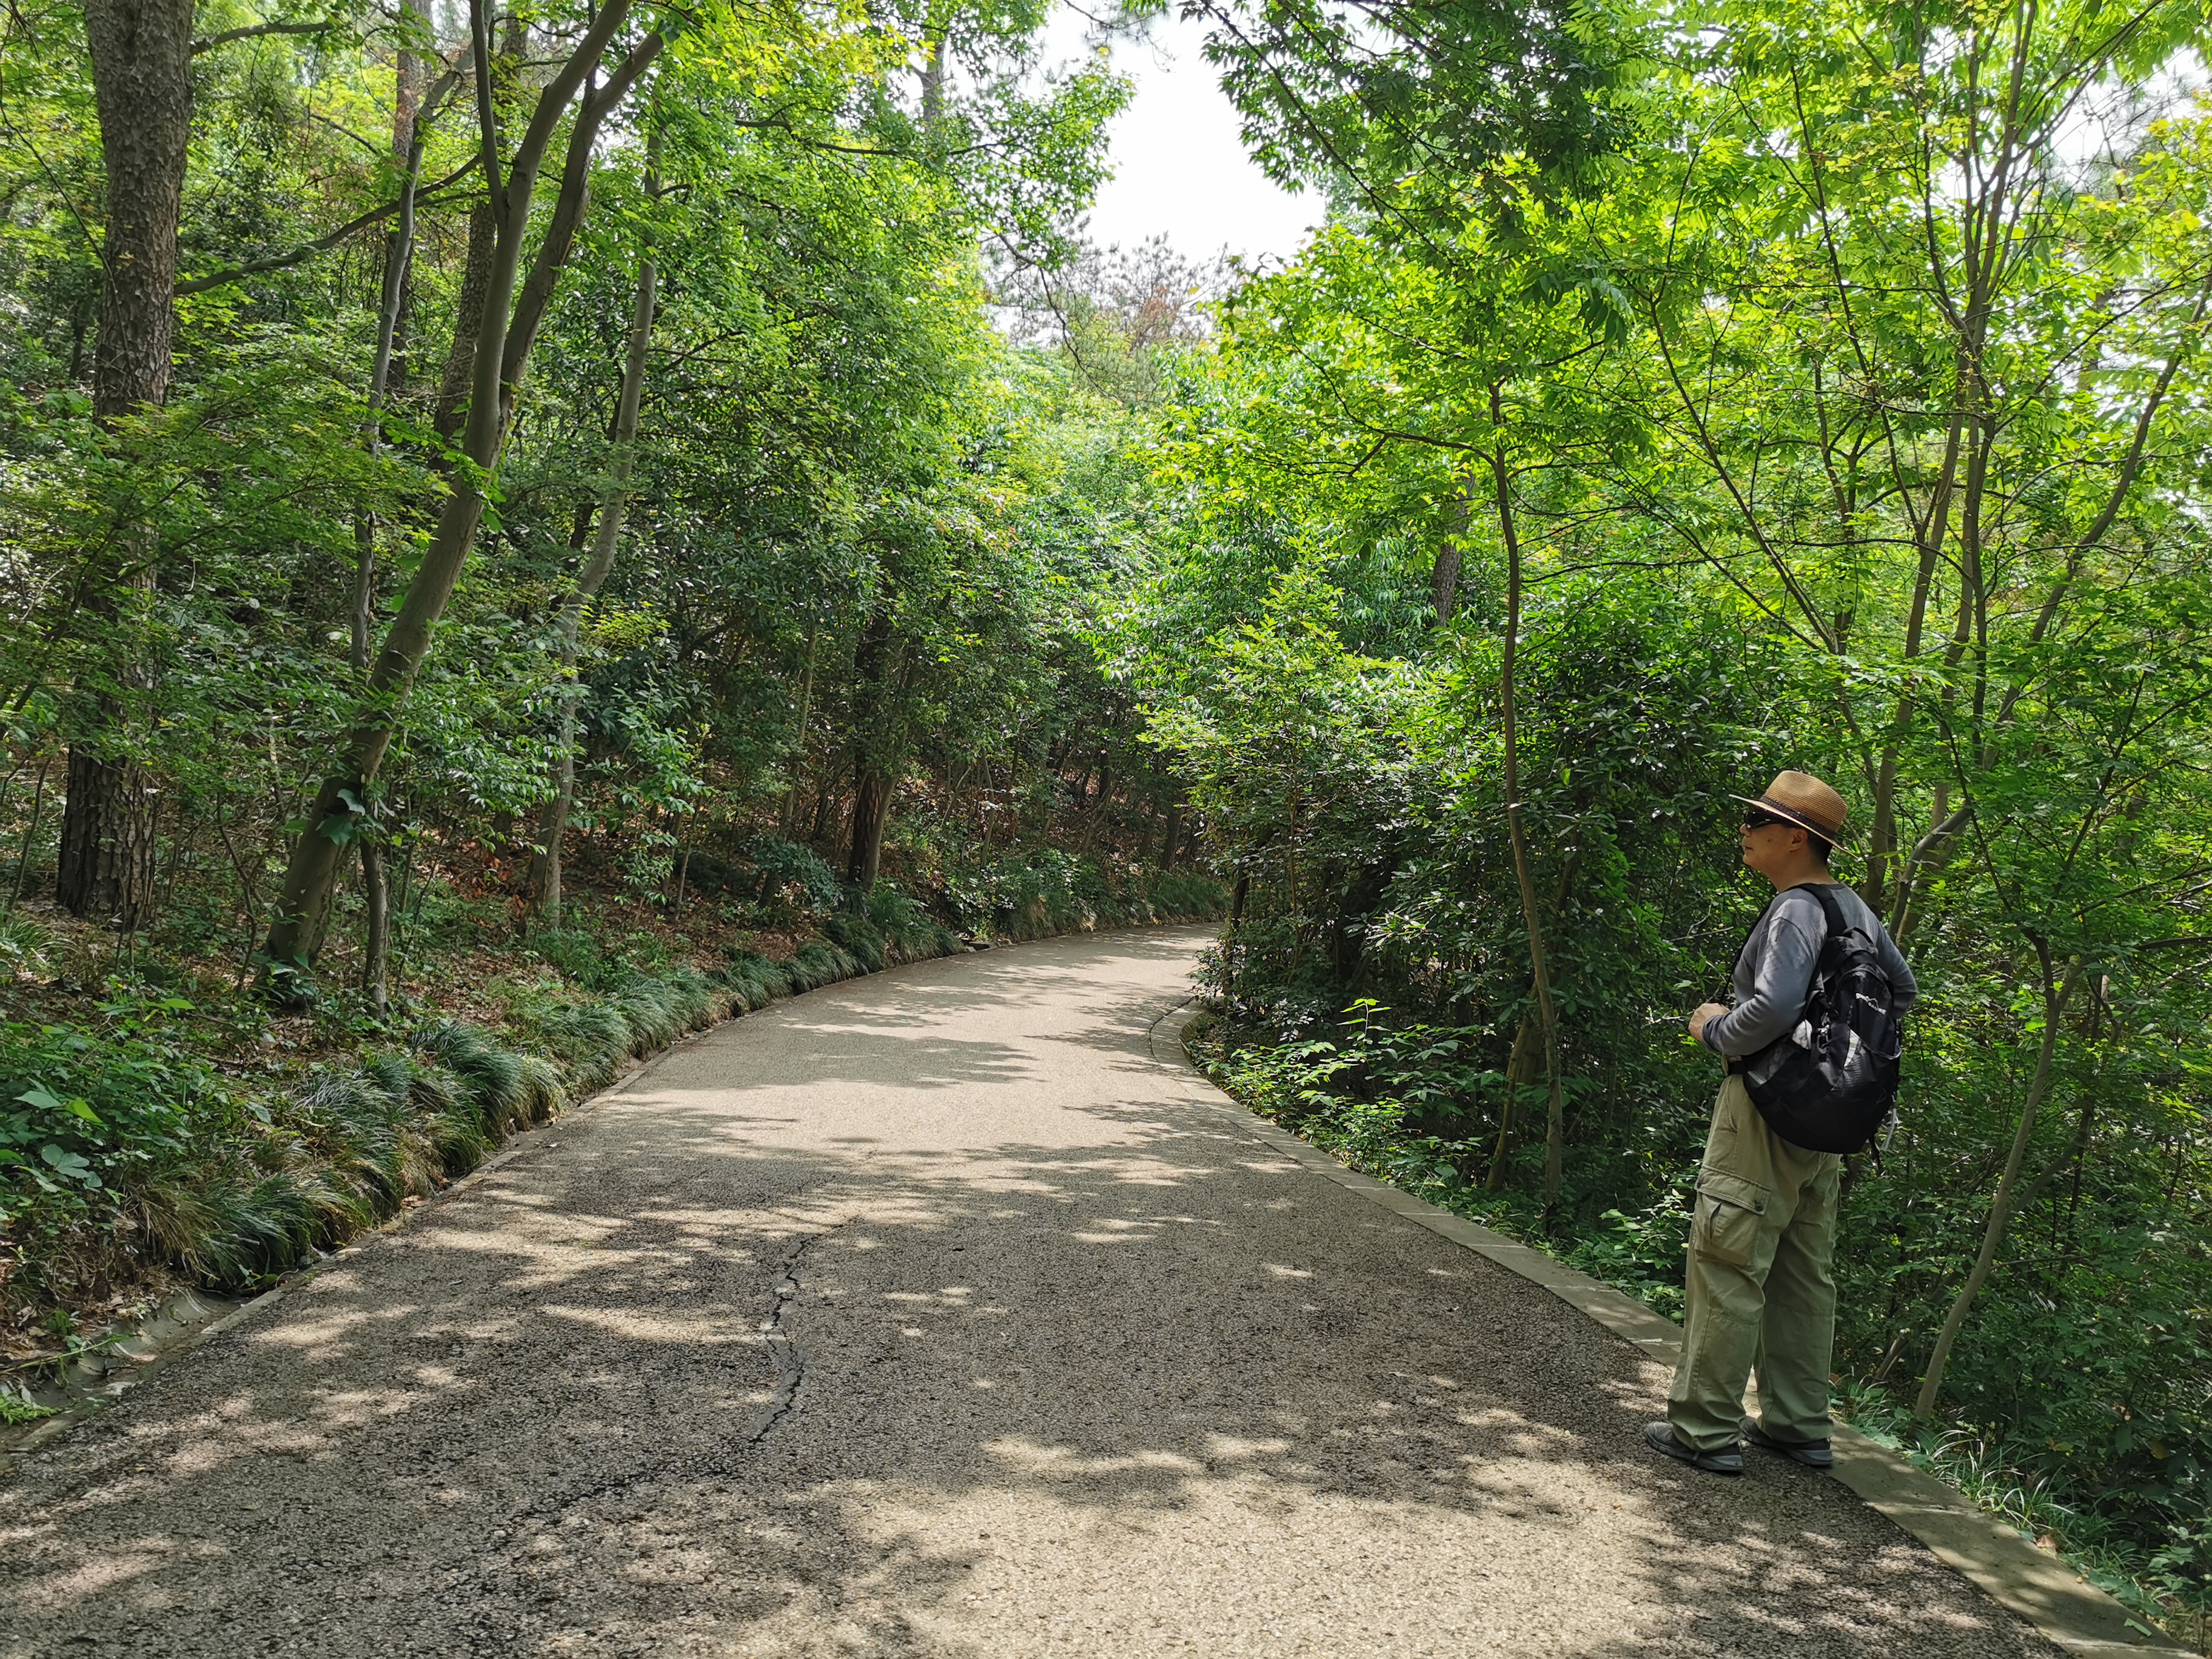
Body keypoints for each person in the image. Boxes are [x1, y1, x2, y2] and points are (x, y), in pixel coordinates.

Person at [1643, 770, 1916, 1476]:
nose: (1745, 832)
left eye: (1755, 822)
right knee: (1803, 1272)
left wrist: (1712, 1029)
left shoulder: (1796, 908)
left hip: (1765, 1110)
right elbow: (1903, 992)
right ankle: (1797, 1424)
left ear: (1795, 837)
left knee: (1728, 1257)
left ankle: (1703, 1429)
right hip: (1828, 1117)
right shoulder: (1856, 910)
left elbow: (1770, 1009)